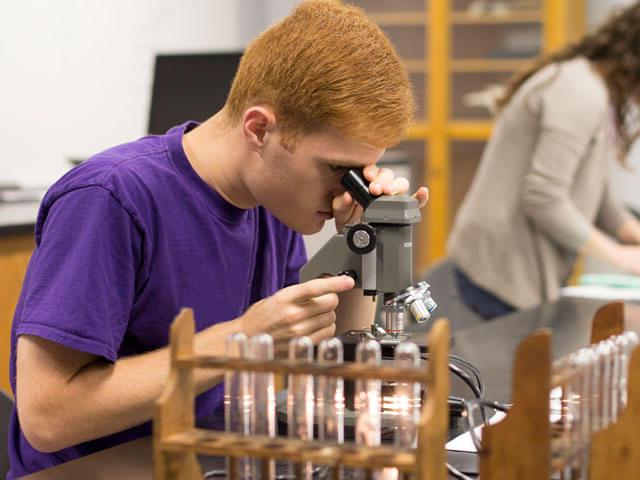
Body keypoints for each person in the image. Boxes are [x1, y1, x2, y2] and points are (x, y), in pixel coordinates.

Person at [7, 1, 429, 477]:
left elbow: (329, 356)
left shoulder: (270, 201)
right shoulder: (110, 198)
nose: (345, 190)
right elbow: (46, 416)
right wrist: (241, 339)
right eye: (337, 169)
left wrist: (362, 243)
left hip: (202, 460)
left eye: (360, 171)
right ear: (259, 129)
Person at [448, 2, 640, 319]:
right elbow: (543, 196)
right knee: (512, 366)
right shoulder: (578, 91)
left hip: (522, 270)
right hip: (501, 270)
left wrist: (628, 229)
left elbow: (593, 183)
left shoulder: (593, 89)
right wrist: (619, 256)